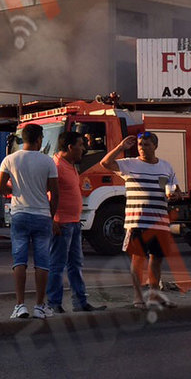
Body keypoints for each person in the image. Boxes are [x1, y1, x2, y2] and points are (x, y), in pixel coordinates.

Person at [99, 131, 179, 309]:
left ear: (155, 147)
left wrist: (175, 195)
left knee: (157, 259)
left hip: (160, 221)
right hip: (137, 221)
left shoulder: (166, 166)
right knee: (138, 259)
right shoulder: (129, 164)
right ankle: (137, 297)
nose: (142, 148)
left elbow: (175, 189)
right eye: (140, 145)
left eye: (147, 145)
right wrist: (120, 147)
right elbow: (105, 163)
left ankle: (154, 296)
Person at [0, 124, 59, 319]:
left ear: (23, 139)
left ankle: (20, 305)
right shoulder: (48, 162)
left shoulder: (10, 159)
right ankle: (40, 307)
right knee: (42, 263)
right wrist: (51, 214)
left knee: (19, 261)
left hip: (20, 214)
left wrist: (13, 190)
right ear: (39, 139)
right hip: (42, 216)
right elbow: (55, 192)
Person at [47, 131, 106, 313]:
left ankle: (80, 303)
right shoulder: (56, 165)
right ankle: (54, 304)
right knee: (57, 265)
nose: (84, 148)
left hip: (73, 223)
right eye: (81, 145)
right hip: (61, 224)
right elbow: (47, 194)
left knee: (76, 264)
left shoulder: (71, 165)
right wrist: (52, 220)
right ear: (70, 147)